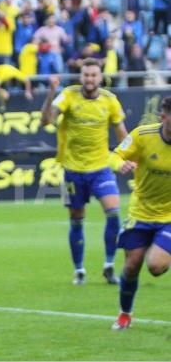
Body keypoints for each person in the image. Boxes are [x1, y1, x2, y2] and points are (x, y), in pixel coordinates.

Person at [41, 58, 129, 286]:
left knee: (113, 212)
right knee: (77, 220)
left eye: (93, 75)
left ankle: (109, 265)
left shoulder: (110, 101)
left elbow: (122, 134)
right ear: (81, 77)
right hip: (73, 170)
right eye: (86, 75)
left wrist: (131, 158)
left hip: (101, 168)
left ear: (100, 77)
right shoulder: (68, 95)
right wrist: (51, 92)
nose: (90, 79)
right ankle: (79, 270)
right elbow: (46, 120)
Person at [109, 97, 171, 330]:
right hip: (141, 211)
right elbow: (115, 154)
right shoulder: (143, 136)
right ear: (164, 118)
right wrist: (119, 165)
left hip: (169, 215)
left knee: (155, 266)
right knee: (132, 265)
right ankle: (125, 314)